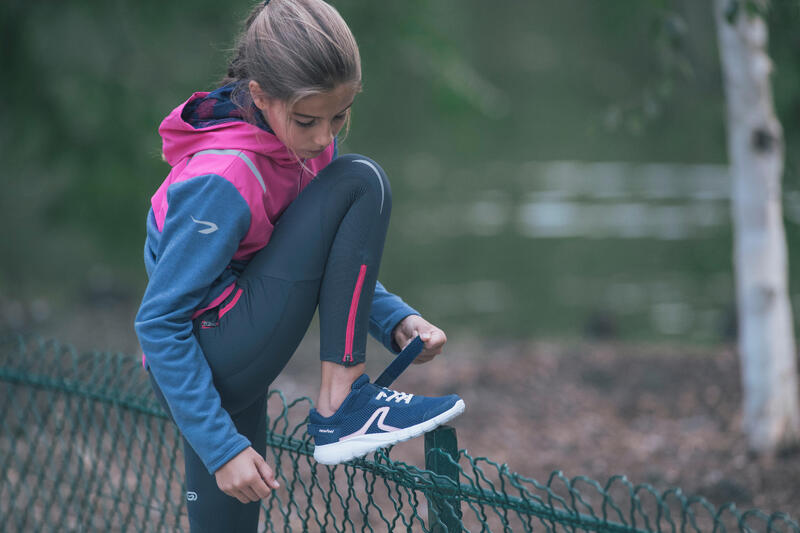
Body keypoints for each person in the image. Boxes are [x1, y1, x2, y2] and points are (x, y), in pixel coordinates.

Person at [133, 0, 465, 530]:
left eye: (340, 116)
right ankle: (342, 402)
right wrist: (221, 449)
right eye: (308, 120)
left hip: (231, 346)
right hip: (207, 359)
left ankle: (344, 397)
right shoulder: (223, 178)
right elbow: (158, 321)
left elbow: (317, 257)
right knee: (363, 180)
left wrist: (394, 319)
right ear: (260, 96)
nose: (324, 138)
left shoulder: (299, 149)